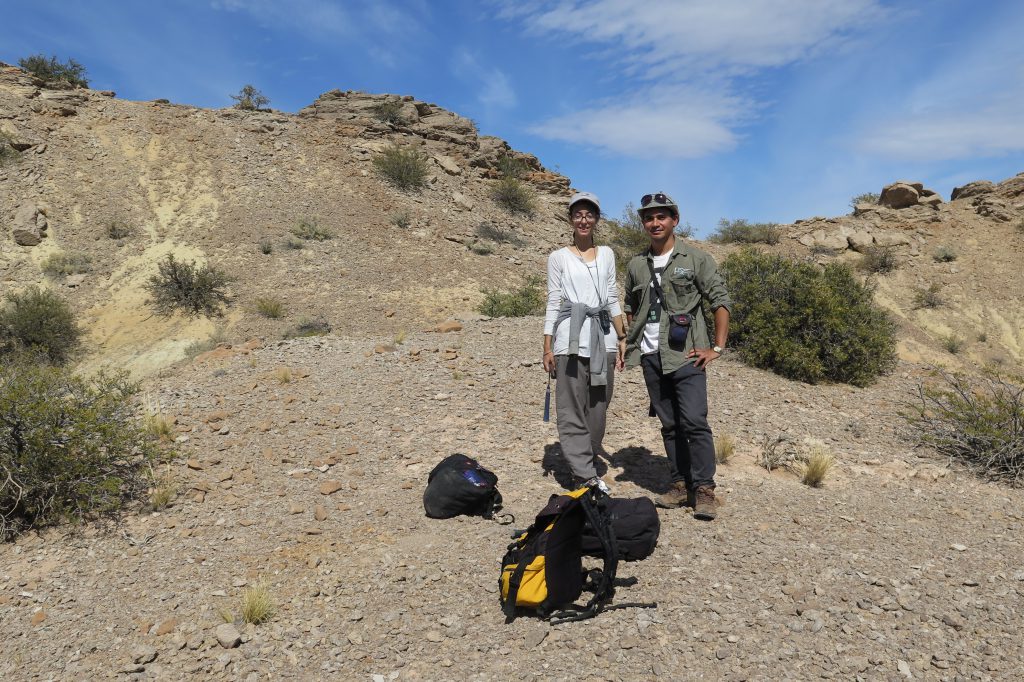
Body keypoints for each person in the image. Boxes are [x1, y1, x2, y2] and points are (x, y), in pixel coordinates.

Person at [622, 192, 731, 520]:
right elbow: (630, 306)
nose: (654, 223)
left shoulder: (696, 258)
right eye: (648, 218)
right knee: (670, 425)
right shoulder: (636, 264)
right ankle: (680, 484)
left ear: (674, 220)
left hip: (686, 355)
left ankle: (704, 490)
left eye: (661, 217)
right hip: (651, 356)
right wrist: (636, 344)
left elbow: (720, 301)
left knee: (695, 422)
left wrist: (717, 348)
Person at [543, 191, 627, 492]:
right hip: (569, 338)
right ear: (570, 219)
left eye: (589, 214)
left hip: (602, 337)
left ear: (597, 220)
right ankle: (583, 471)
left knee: (598, 406)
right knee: (570, 405)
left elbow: (613, 296)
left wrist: (621, 336)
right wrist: (548, 346)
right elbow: (554, 301)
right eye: (578, 214)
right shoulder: (558, 257)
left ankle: (586, 456)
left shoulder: (607, 254)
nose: (583, 219)